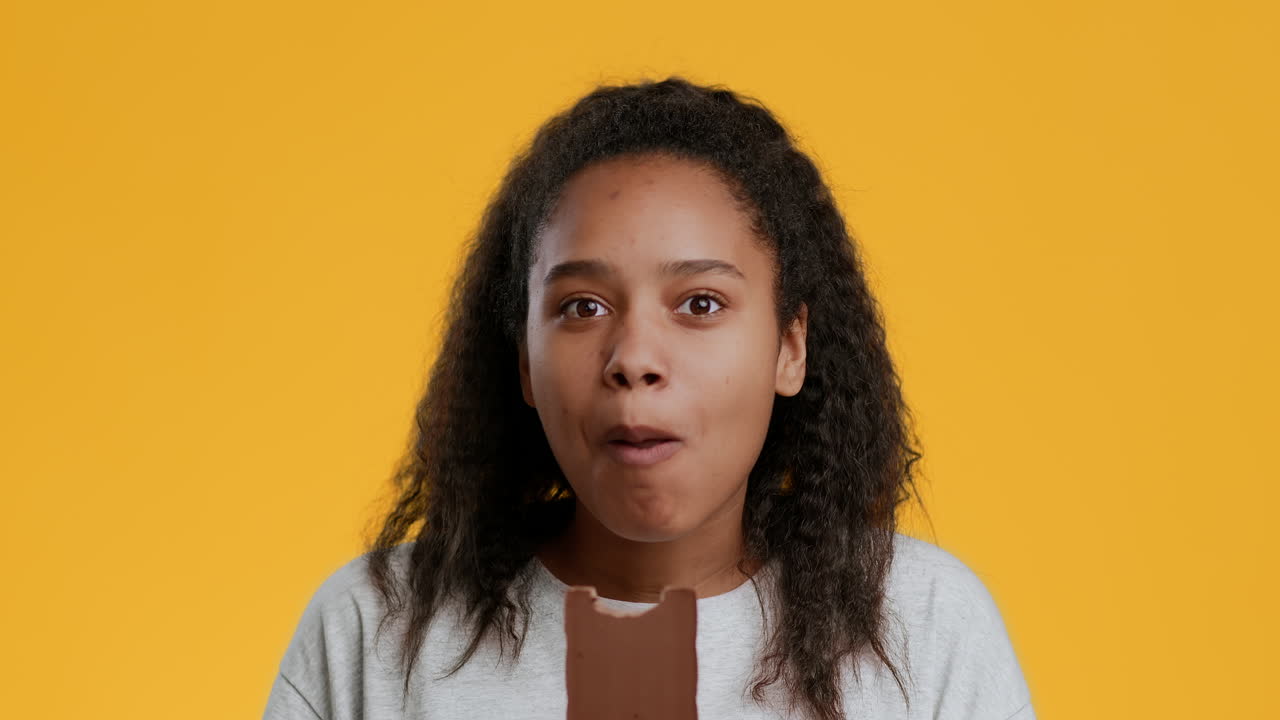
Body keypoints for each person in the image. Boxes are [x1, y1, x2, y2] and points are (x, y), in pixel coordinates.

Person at [261, 76, 1035, 720]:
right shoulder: (376, 632)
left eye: (700, 304)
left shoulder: (924, 628)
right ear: (523, 361)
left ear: (789, 346)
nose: (634, 359)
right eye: (581, 308)